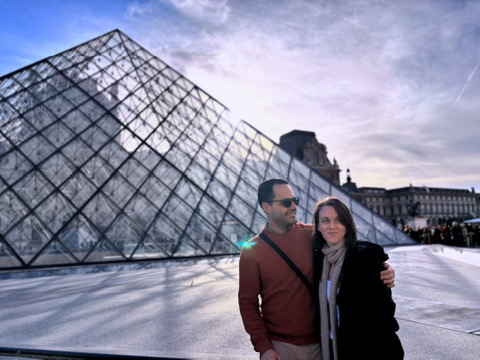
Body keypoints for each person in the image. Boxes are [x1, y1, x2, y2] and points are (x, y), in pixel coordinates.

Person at [238, 179, 396, 360]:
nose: (293, 206)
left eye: (295, 200)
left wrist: (382, 265)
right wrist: (264, 347)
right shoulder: (252, 250)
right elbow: (247, 303)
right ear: (266, 207)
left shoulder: (312, 234)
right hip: (281, 348)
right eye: (285, 202)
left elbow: (348, 245)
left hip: (324, 344)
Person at [313, 196, 404, 360]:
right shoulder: (318, 259)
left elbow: (384, 313)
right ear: (318, 226)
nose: (332, 226)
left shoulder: (364, 257)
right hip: (335, 347)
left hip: (367, 350)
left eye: (338, 220)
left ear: (347, 225)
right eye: (325, 220)